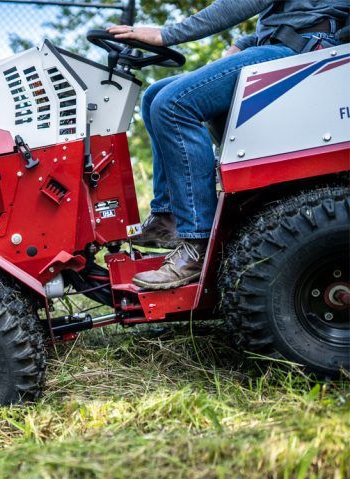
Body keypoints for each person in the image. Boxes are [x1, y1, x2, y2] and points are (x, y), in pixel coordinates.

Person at [108, 0, 347, 290]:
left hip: (301, 51)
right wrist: (244, 43)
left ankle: (197, 241)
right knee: (154, 95)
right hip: (280, 44)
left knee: (172, 104)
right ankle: (168, 217)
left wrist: (166, 34)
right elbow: (290, 14)